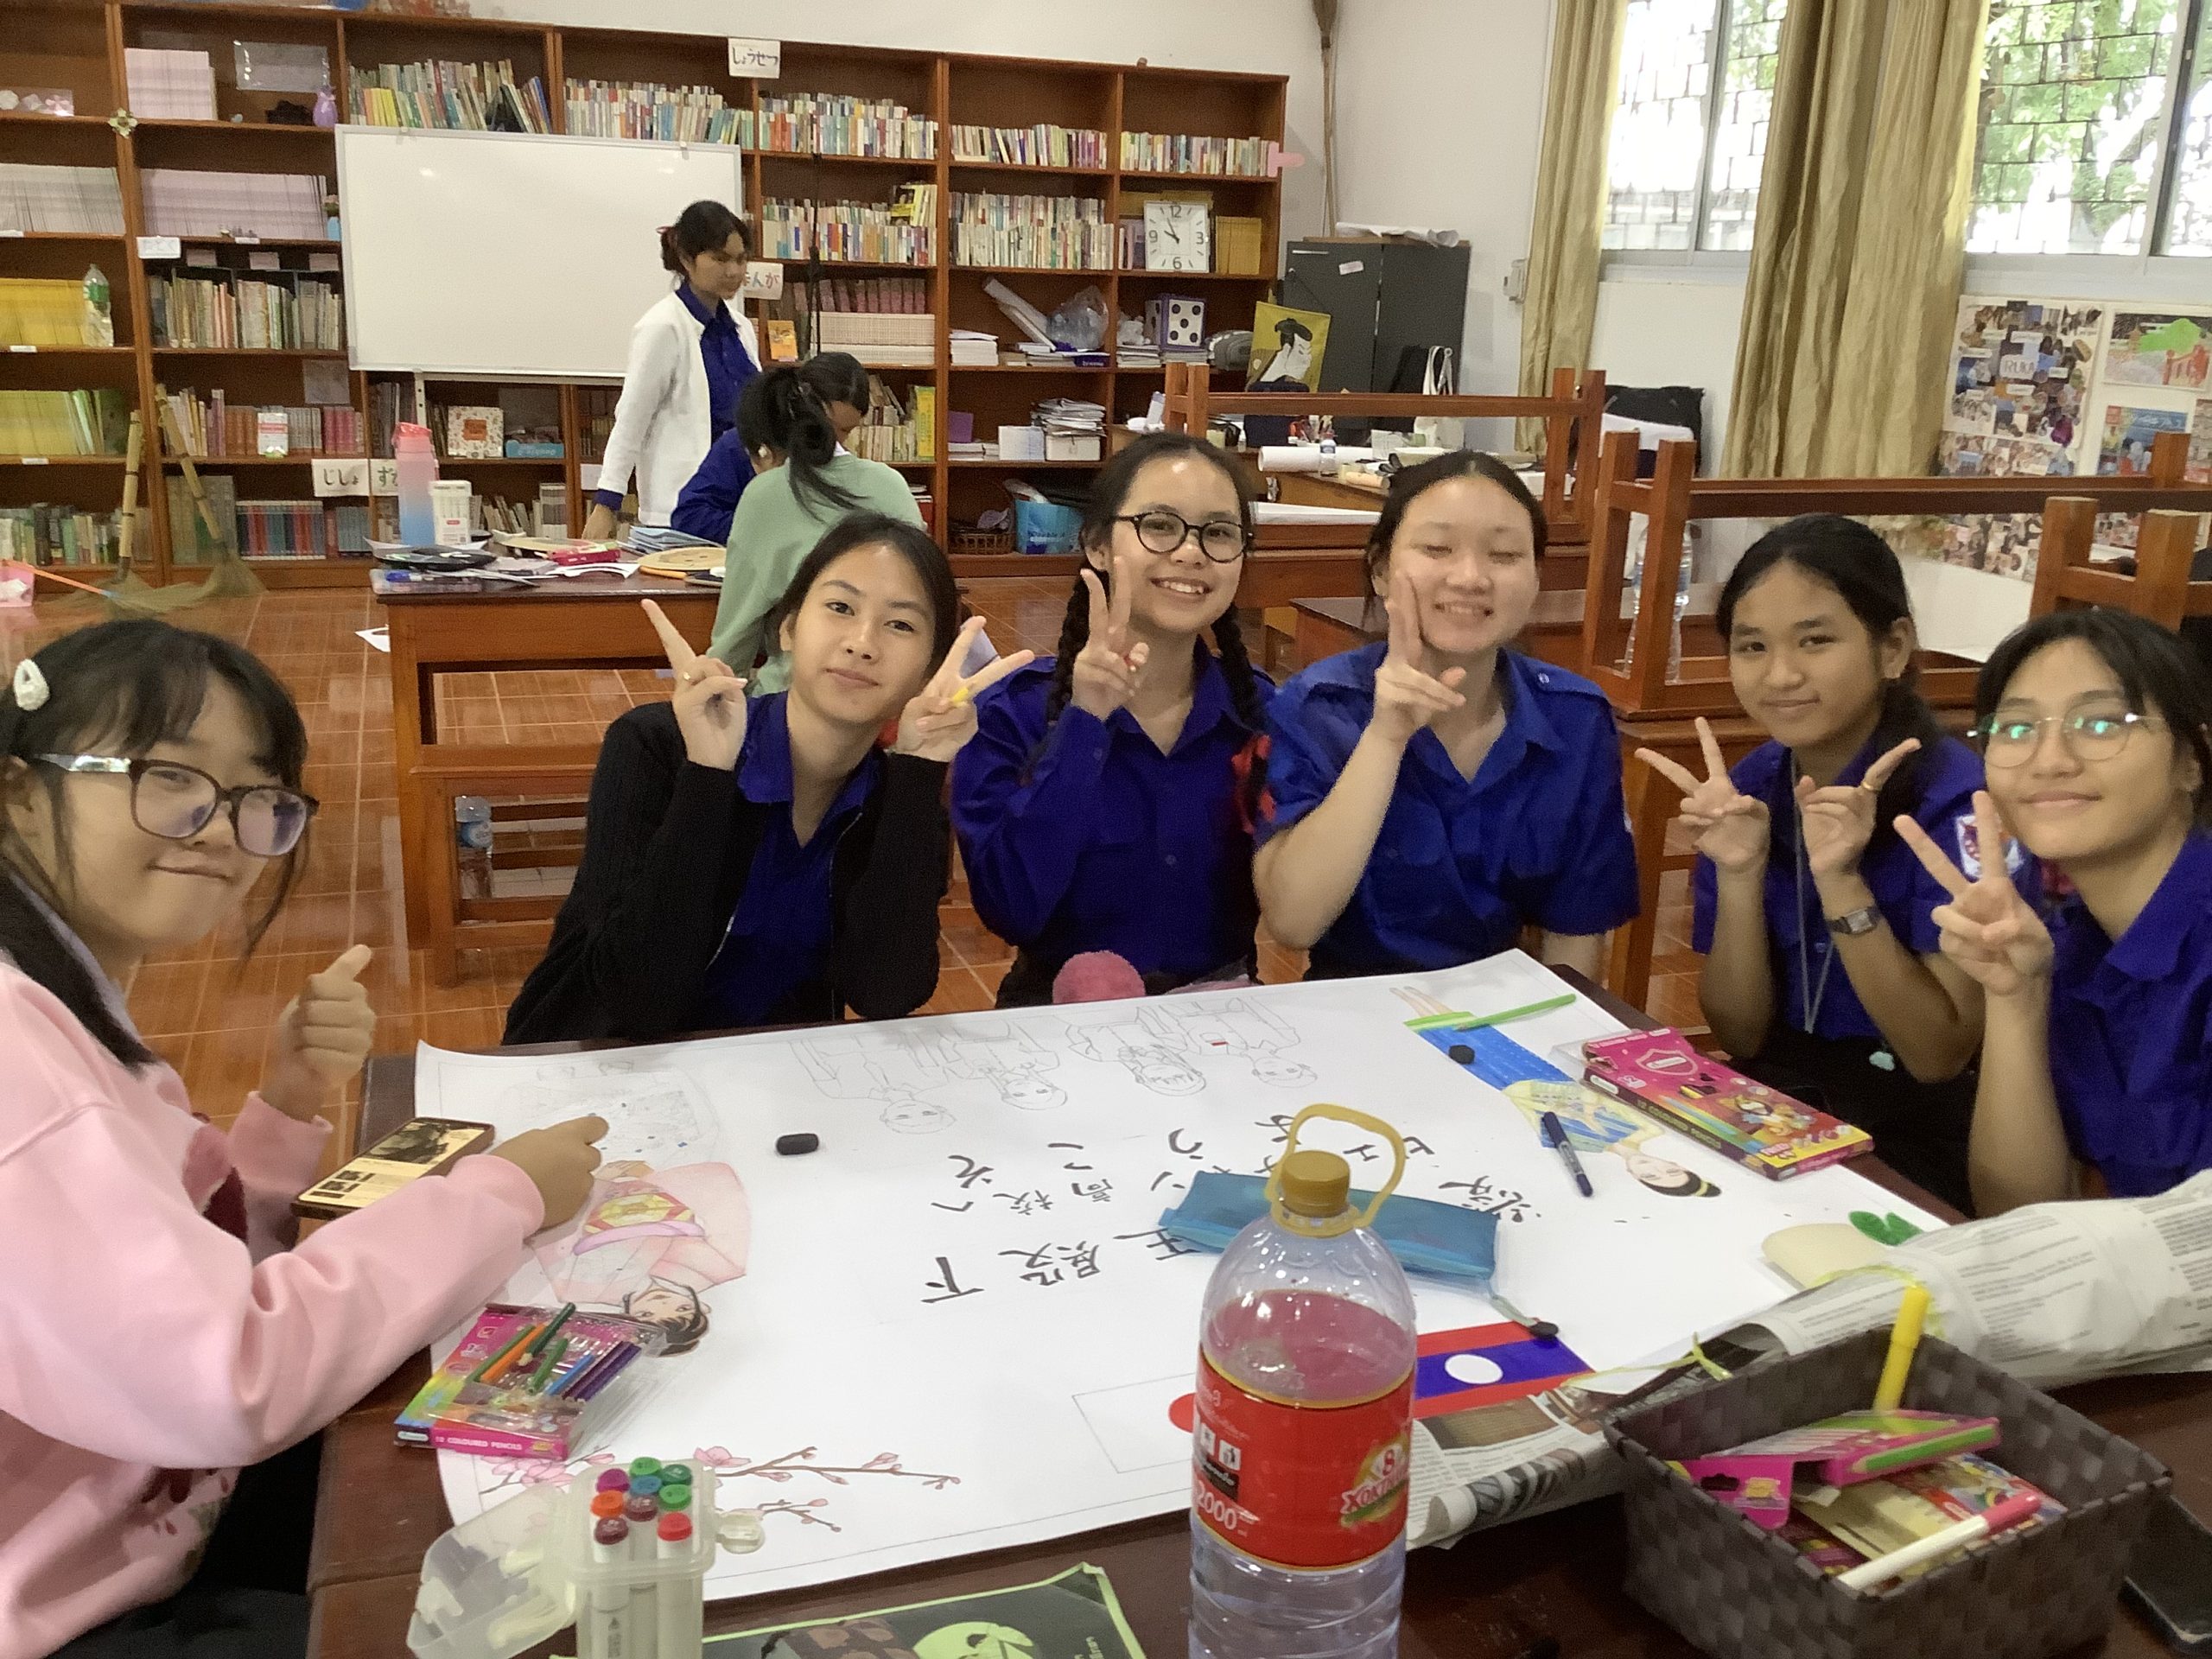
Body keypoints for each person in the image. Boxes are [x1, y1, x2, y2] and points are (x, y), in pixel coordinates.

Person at [0, 620, 604, 1658]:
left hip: (148, 1508)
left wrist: (282, 1109)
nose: (218, 830)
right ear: (17, 792)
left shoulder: (57, 1004)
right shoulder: (22, 1062)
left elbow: (170, 1276)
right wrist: (501, 1193)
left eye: (254, 796)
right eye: (168, 777)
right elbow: (230, 1374)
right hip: (75, 1604)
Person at [505, 517, 1031, 1044]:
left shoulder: (899, 799)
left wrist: (920, 771)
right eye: (840, 607)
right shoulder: (657, 745)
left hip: (779, 1073)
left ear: (929, 668)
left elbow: (886, 993)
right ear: (788, 628)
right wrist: (707, 775)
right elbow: (633, 997)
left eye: (900, 625)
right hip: (590, 1060)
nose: (862, 643)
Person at [1638, 516, 1994, 1211]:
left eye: (1815, 640)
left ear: (1893, 648)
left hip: (1914, 1127)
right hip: (1775, 1103)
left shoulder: (1957, 804)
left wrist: (1842, 882)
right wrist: (1739, 876)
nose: (1781, 675)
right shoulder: (1750, 787)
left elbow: (1936, 1056)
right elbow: (1741, 1034)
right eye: (1753, 646)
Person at [1254, 451, 1638, 980]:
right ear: (1382, 569)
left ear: (1535, 579)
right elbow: (1293, 923)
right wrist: (1386, 737)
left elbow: (1576, 934)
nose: (1471, 577)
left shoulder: (1576, 718)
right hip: (1352, 1007)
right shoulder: (1319, 707)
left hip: (1502, 1008)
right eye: (1437, 548)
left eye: (1504, 555)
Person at [1897, 608, 2212, 1211]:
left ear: (2193, 760)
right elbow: (2021, 1214)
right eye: (2016, 729)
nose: (2049, 760)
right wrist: (2015, 999)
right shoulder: (2064, 942)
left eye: (2101, 723)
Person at [951, 433, 1273, 1005]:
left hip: (1221, 1021)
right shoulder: (1013, 711)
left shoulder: (1261, 712)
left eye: (1220, 532)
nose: (1192, 552)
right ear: (1098, 545)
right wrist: (1086, 721)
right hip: (1058, 1021)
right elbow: (1011, 910)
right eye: (1160, 525)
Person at [707, 366, 925, 691]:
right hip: (892, 693)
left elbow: (734, 638)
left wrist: (715, 694)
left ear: (762, 449)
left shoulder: (767, 493)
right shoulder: (891, 483)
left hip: (800, 696)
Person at [582, 200, 760, 540]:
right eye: (720, 259)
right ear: (687, 260)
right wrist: (606, 504)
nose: (734, 271)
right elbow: (631, 421)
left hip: (741, 505)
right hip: (682, 512)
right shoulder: (663, 327)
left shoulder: (742, 329)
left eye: (740, 259)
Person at [671, 352, 874, 547]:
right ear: (800, 408)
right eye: (826, 426)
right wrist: (766, 529)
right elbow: (689, 515)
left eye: (846, 431)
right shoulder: (747, 443)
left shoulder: (846, 465)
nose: (834, 442)